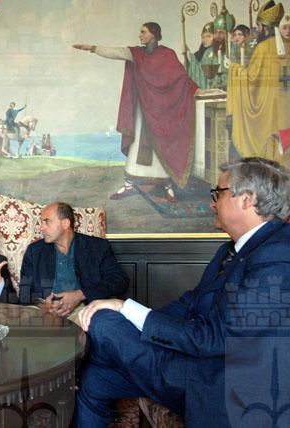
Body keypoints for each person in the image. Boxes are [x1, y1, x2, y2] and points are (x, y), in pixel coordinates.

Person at [74, 157, 290, 427]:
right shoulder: (231, 249)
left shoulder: (279, 253)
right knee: (94, 379)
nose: (212, 203)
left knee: (104, 322)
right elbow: (189, 303)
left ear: (247, 199)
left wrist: (124, 307)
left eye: (218, 193)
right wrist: (136, 323)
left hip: (217, 381)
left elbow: (218, 338)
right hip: (193, 359)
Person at [73, 22, 198, 203]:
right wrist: (92, 48)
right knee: (137, 145)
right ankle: (129, 184)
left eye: (143, 32)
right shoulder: (137, 54)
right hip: (143, 111)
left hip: (163, 114)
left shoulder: (167, 54)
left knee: (162, 148)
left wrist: (194, 89)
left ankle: (167, 186)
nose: (140, 35)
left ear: (153, 34)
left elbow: (181, 78)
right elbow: (117, 52)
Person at [18, 202, 128, 319]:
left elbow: (119, 281)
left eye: (47, 221)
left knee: (105, 321)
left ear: (65, 223)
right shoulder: (34, 251)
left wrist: (81, 294)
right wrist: (44, 307)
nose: (41, 227)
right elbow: (25, 293)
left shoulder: (97, 247)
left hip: (85, 310)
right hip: (44, 312)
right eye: (41, 222)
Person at [227, 5, 290, 162]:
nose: (258, 30)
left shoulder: (262, 48)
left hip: (268, 107)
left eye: (259, 26)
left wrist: (234, 69)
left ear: (265, 27)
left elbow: (251, 80)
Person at [185, 22, 225, 89]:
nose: (204, 40)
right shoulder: (199, 54)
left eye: (208, 36)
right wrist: (188, 55)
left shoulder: (222, 52)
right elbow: (200, 73)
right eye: (203, 37)